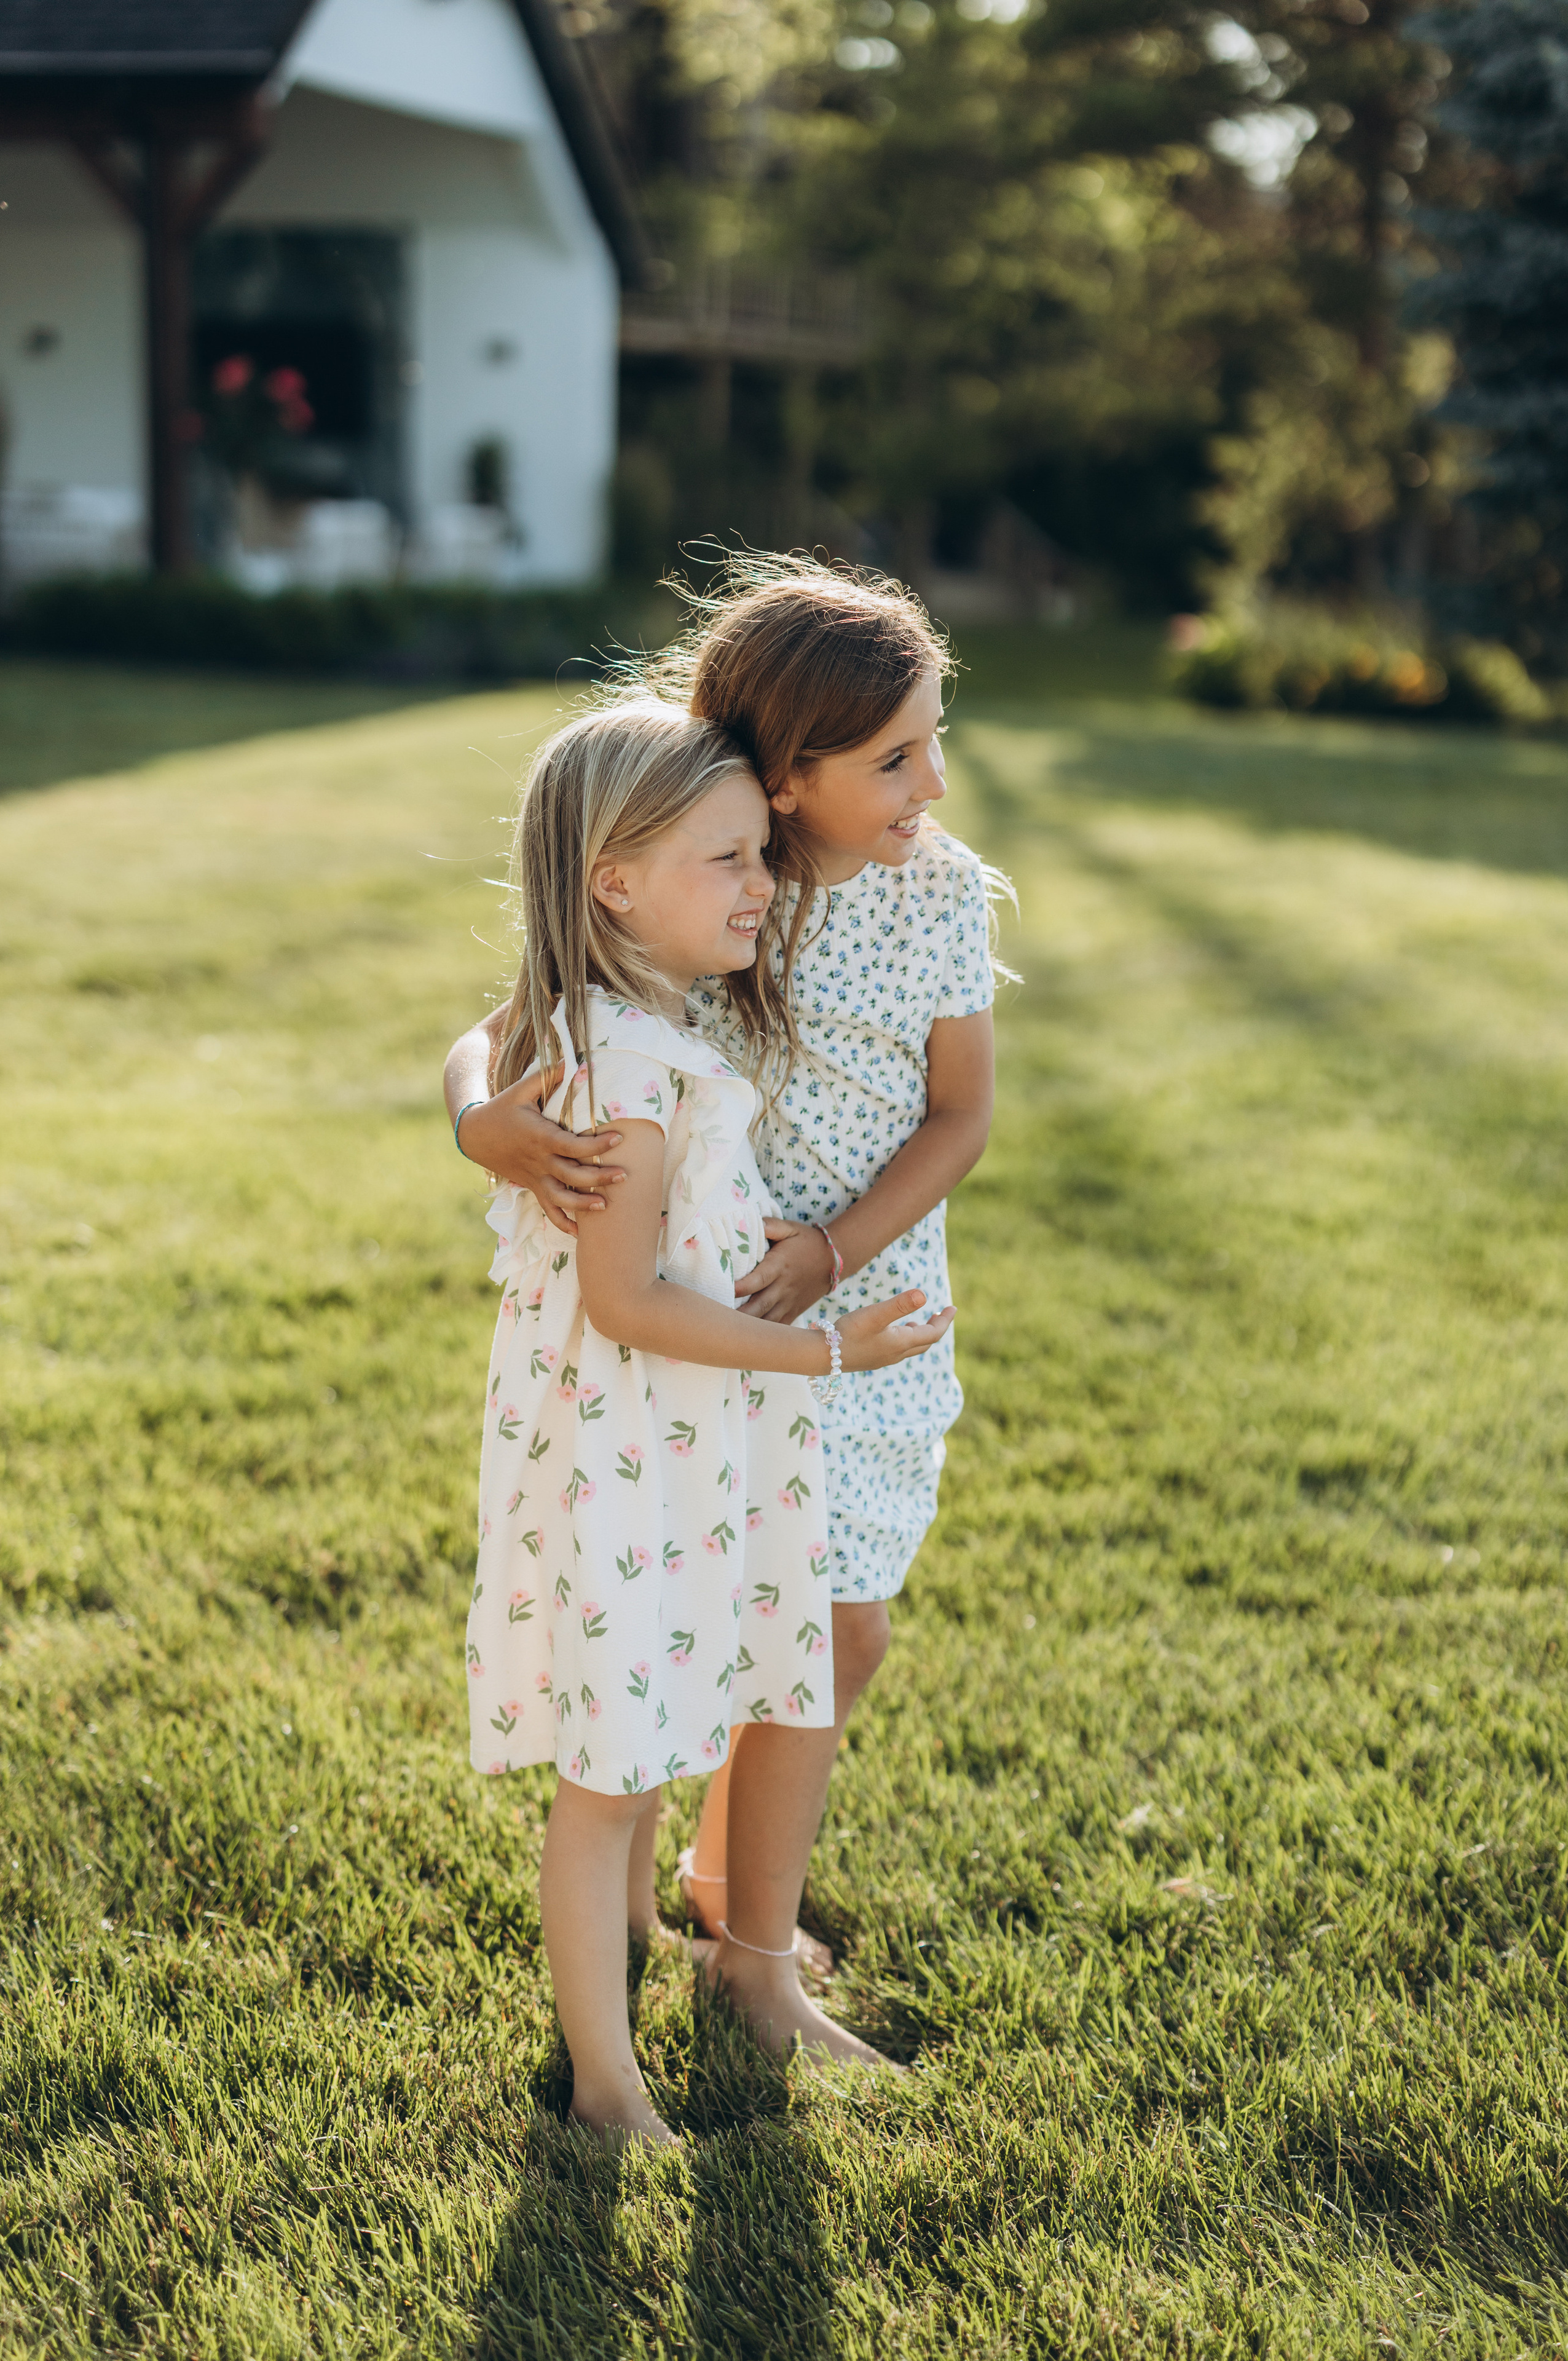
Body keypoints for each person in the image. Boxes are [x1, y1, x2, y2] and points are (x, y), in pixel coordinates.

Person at [446, 552, 1007, 1988]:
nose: (932, 785)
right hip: (708, 1326)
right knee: (769, 1620)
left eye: (933, 740)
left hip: (865, 1306)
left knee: (846, 1628)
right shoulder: (711, 869)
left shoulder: (934, 899)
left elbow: (961, 1116)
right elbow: (518, 1017)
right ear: (786, 771)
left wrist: (829, 1251)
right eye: (896, 757)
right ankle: (748, 1962)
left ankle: (724, 1888)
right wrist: (482, 1122)